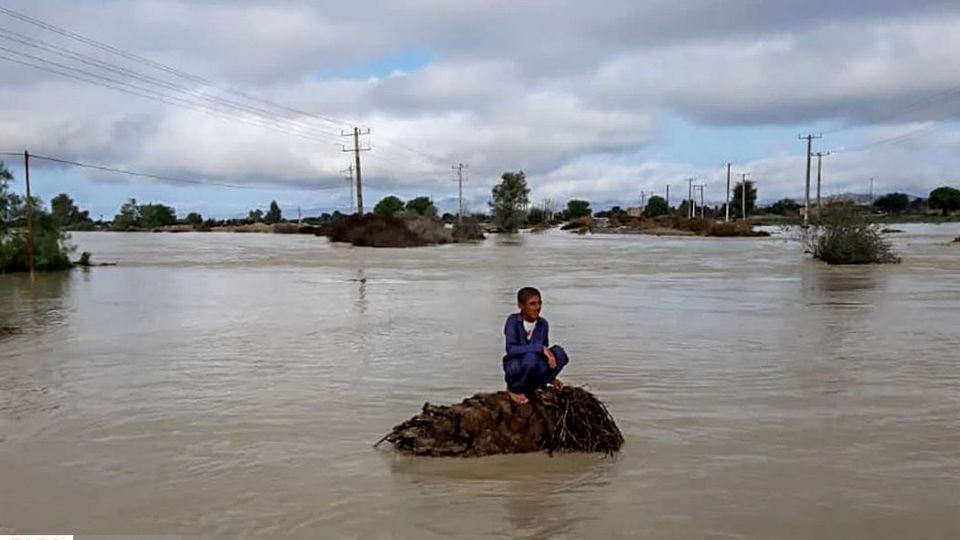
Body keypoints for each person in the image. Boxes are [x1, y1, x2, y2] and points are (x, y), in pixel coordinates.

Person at [502, 287, 569, 405]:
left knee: (559, 353)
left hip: (534, 364)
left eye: (539, 303)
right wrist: (539, 348)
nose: (537, 307)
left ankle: (541, 384)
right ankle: (514, 389)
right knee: (531, 358)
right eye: (532, 304)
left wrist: (551, 376)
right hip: (516, 366)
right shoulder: (512, 321)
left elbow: (545, 353)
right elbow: (511, 350)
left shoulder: (543, 323)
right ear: (521, 306)